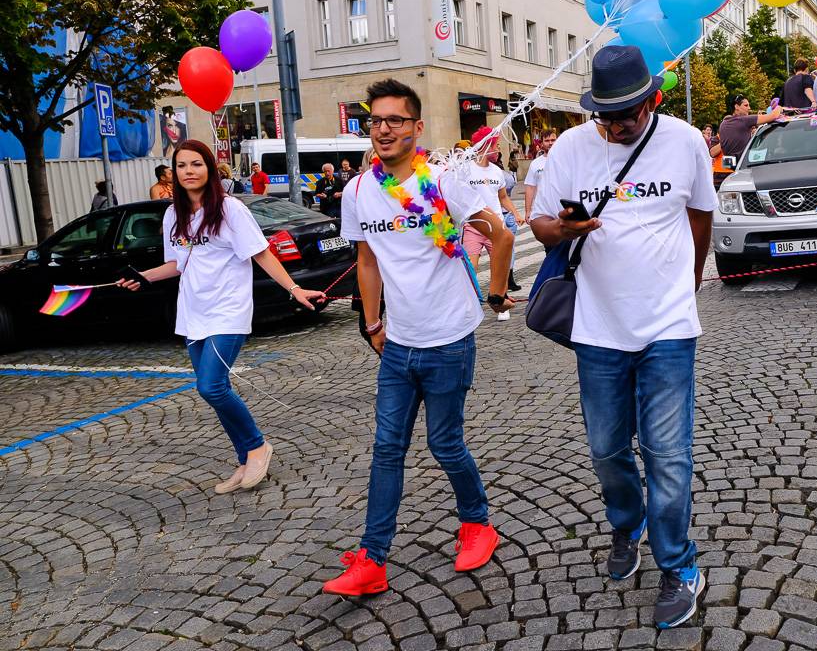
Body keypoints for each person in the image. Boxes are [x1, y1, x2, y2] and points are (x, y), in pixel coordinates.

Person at [530, 45, 718, 629]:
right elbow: (539, 224)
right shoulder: (571, 147)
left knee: (667, 455)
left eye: (625, 116)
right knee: (607, 450)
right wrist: (564, 228)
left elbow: (700, 218)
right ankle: (626, 525)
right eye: (604, 117)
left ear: (651, 102)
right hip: (597, 327)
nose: (613, 127)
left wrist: (685, 291)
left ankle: (679, 566)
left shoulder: (685, 142)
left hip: (666, 326)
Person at [323, 79, 514, 597]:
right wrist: (372, 323)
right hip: (398, 344)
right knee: (387, 447)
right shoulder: (358, 190)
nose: (383, 129)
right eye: (376, 120)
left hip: (449, 338)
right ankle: (372, 559)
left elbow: (501, 233)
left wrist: (496, 295)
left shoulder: (445, 181)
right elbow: (366, 260)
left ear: (416, 127)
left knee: (445, 443)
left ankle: (478, 524)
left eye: (395, 120)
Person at [117, 140, 326, 493]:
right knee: (214, 390)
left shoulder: (230, 209)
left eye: (196, 164)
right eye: (181, 165)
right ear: (174, 172)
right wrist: (143, 277)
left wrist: (294, 289)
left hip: (227, 309)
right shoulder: (173, 215)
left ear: (210, 168)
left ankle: (258, 445)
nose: (189, 171)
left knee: (211, 386)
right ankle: (244, 459)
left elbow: (261, 253)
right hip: (193, 311)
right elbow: (177, 263)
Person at [462, 125, 524, 313]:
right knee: (470, 266)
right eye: (494, 145)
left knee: (501, 267)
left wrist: (516, 213)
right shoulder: (466, 169)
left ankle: (501, 299)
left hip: (496, 227)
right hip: (473, 226)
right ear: (484, 146)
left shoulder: (497, 172)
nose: (497, 150)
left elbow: (503, 197)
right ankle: (470, 301)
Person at [715, 95, 783, 163]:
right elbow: (773, 116)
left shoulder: (724, 123)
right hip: (747, 165)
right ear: (736, 107)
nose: (749, 108)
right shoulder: (744, 120)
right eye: (746, 105)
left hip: (731, 167)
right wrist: (779, 107)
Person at [523, 129, 556, 223]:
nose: (550, 143)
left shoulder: (566, 160)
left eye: (553, 140)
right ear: (541, 143)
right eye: (547, 140)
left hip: (562, 209)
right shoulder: (535, 164)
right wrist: (528, 211)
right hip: (542, 210)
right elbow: (530, 187)